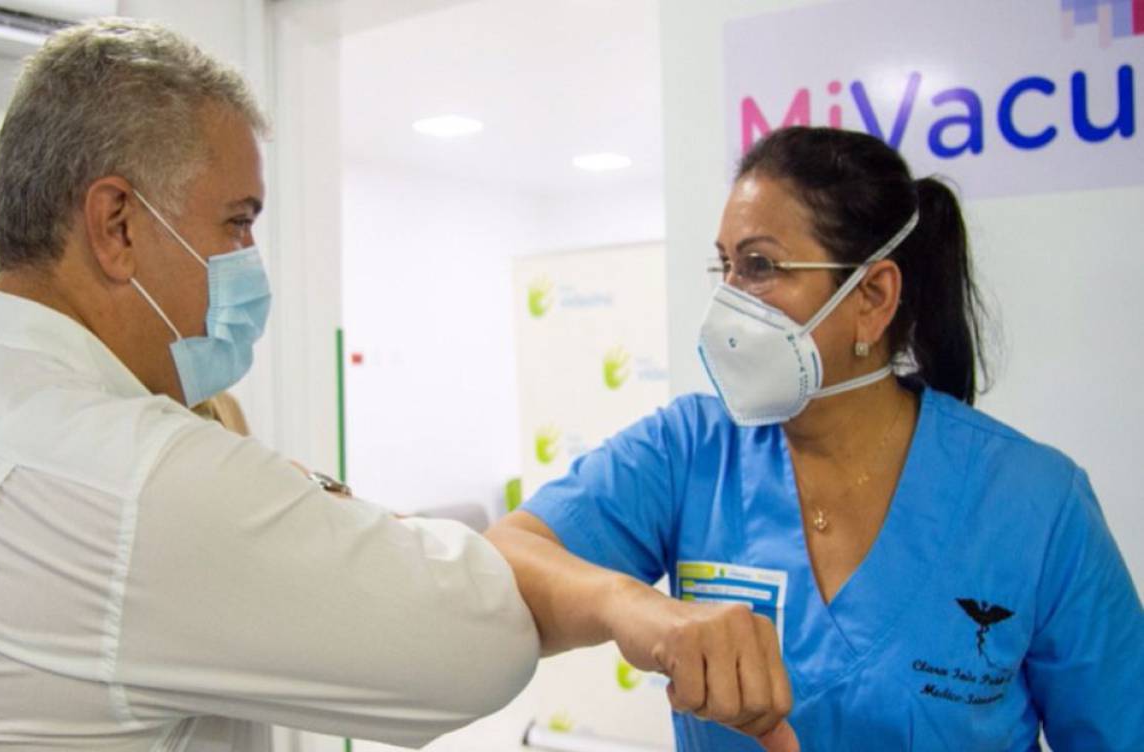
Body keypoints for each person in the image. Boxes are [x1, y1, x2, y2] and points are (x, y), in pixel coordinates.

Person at [0, 19, 538, 751]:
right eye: (237, 223)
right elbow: (480, 639)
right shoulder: (137, 479)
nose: (250, 259)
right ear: (117, 227)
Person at [487, 126, 1144, 751]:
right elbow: (502, 560)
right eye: (726, 268)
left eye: (760, 266)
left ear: (872, 296)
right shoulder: (690, 449)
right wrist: (629, 606)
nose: (729, 304)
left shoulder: (1035, 502)